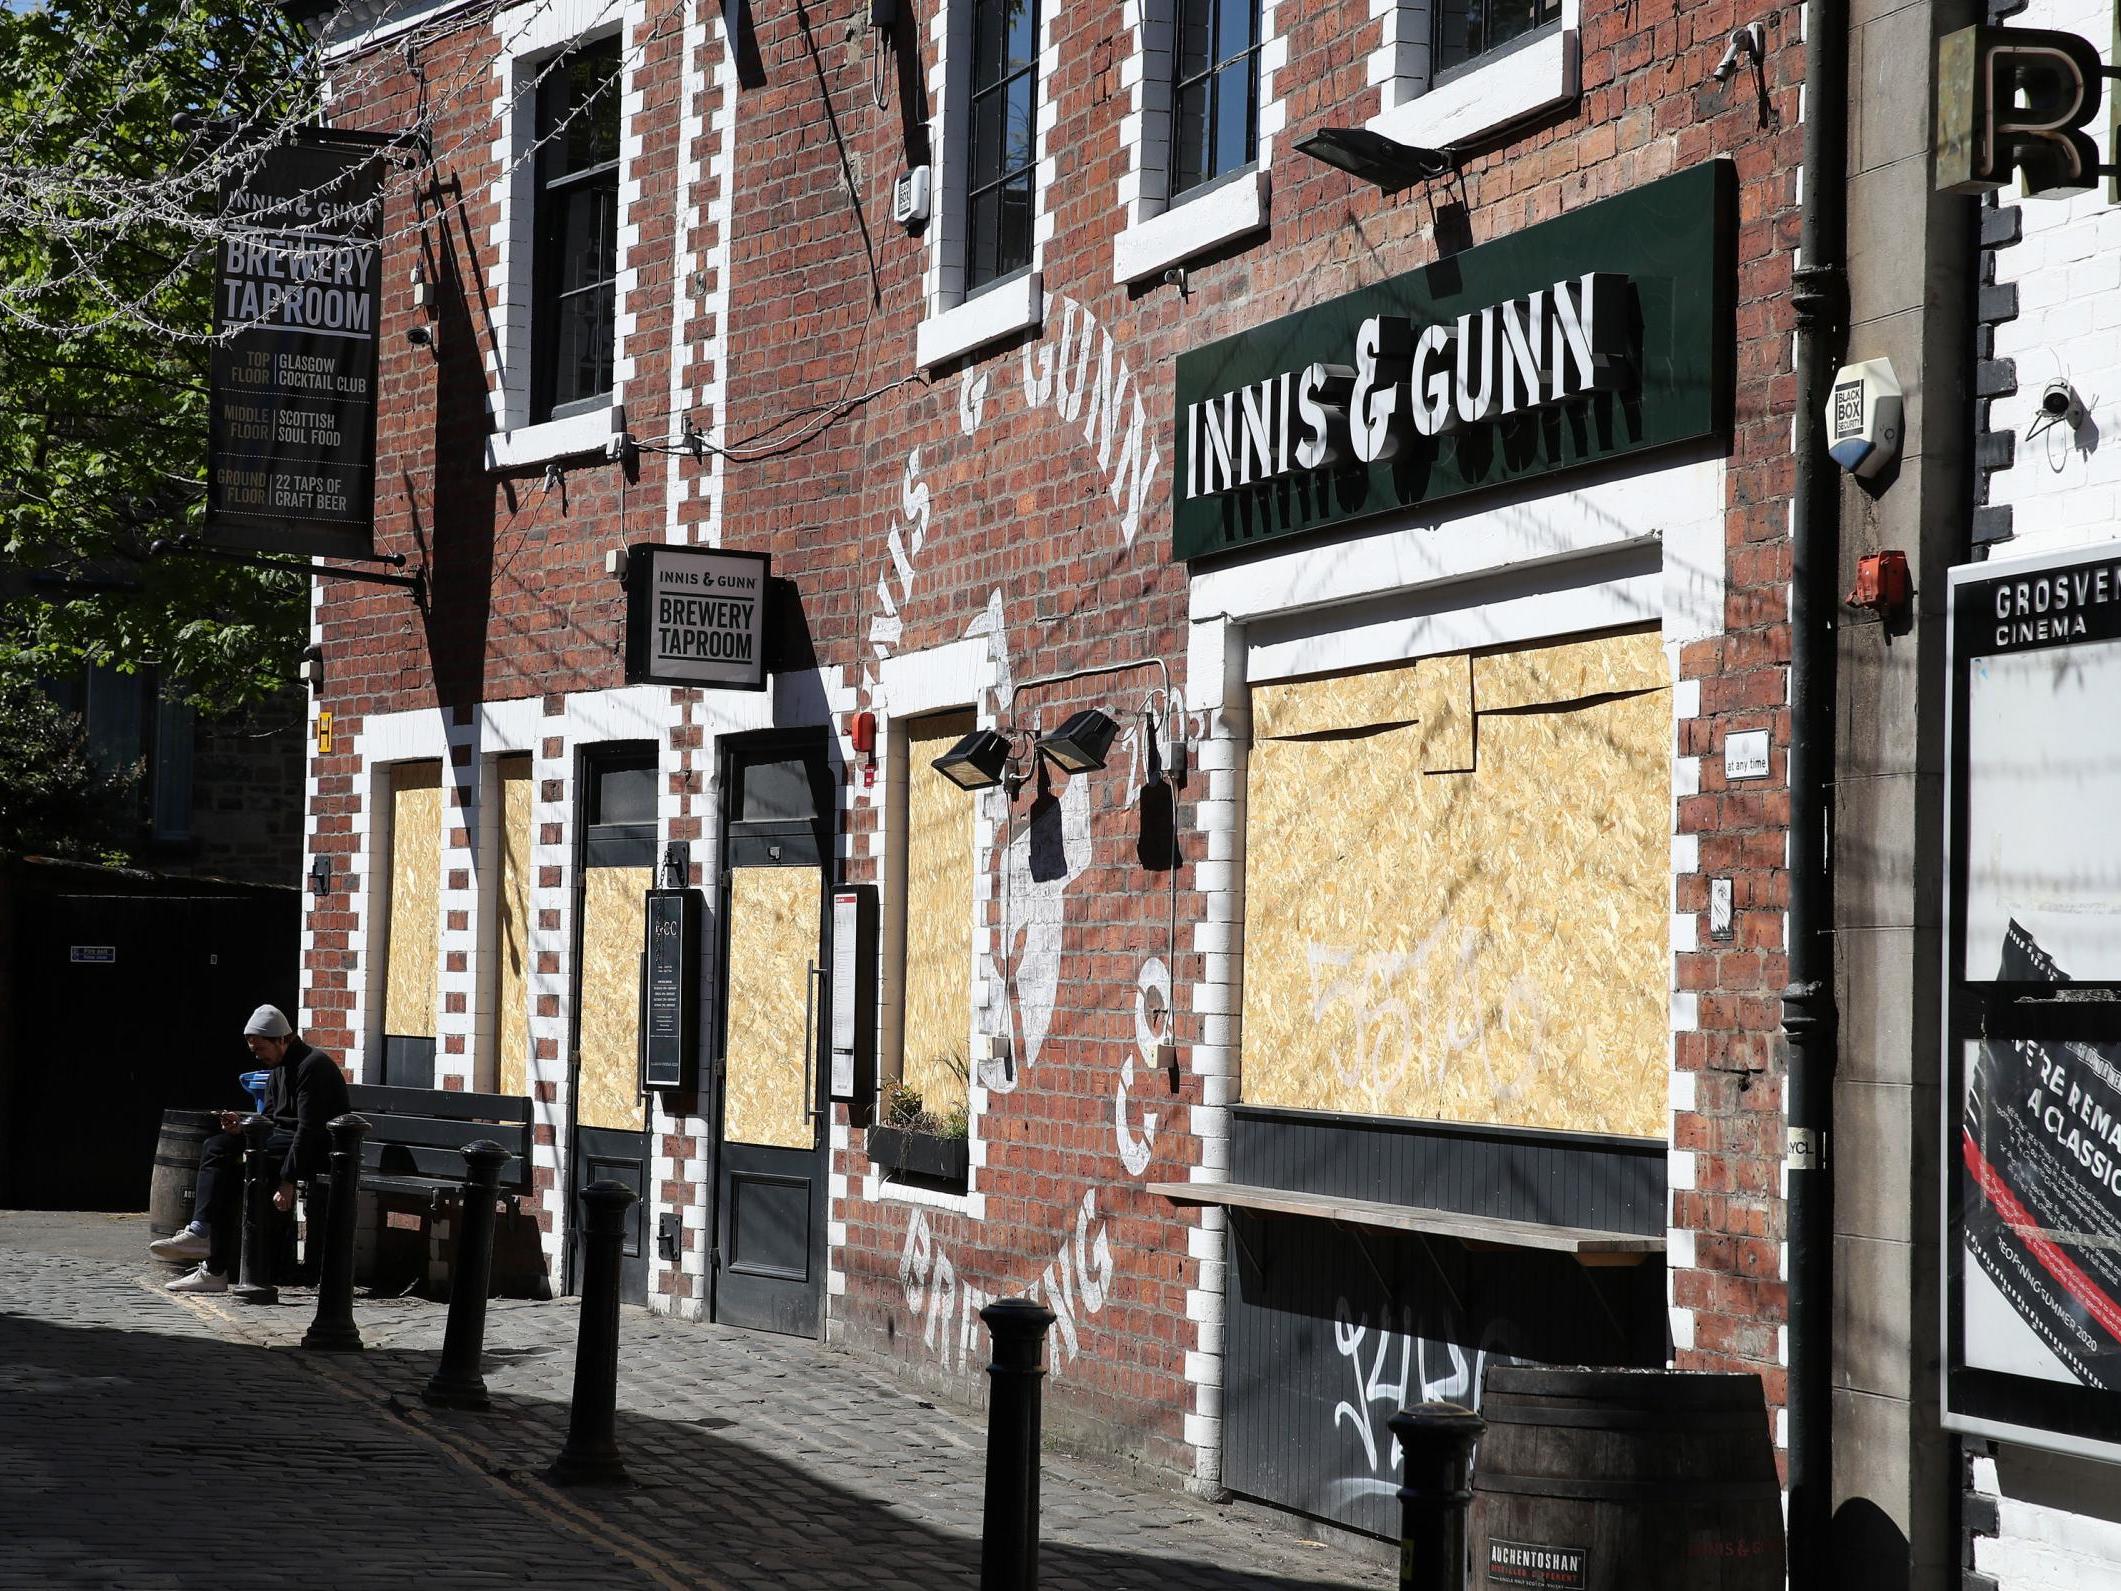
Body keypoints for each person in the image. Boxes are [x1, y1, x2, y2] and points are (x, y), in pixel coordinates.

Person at [149, 1004, 351, 1293]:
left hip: (314, 1149)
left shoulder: (312, 1066)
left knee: (233, 1177)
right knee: (217, 1146)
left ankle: (215, 1266)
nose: (257, 1055)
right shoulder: (277, 1067)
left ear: (281, 1039)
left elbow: (308, 1129)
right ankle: (201, 1234)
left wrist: (288, 1180)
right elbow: (268, 1117)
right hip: (280, 1140)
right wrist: (242, 1127)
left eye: (260, 1049)